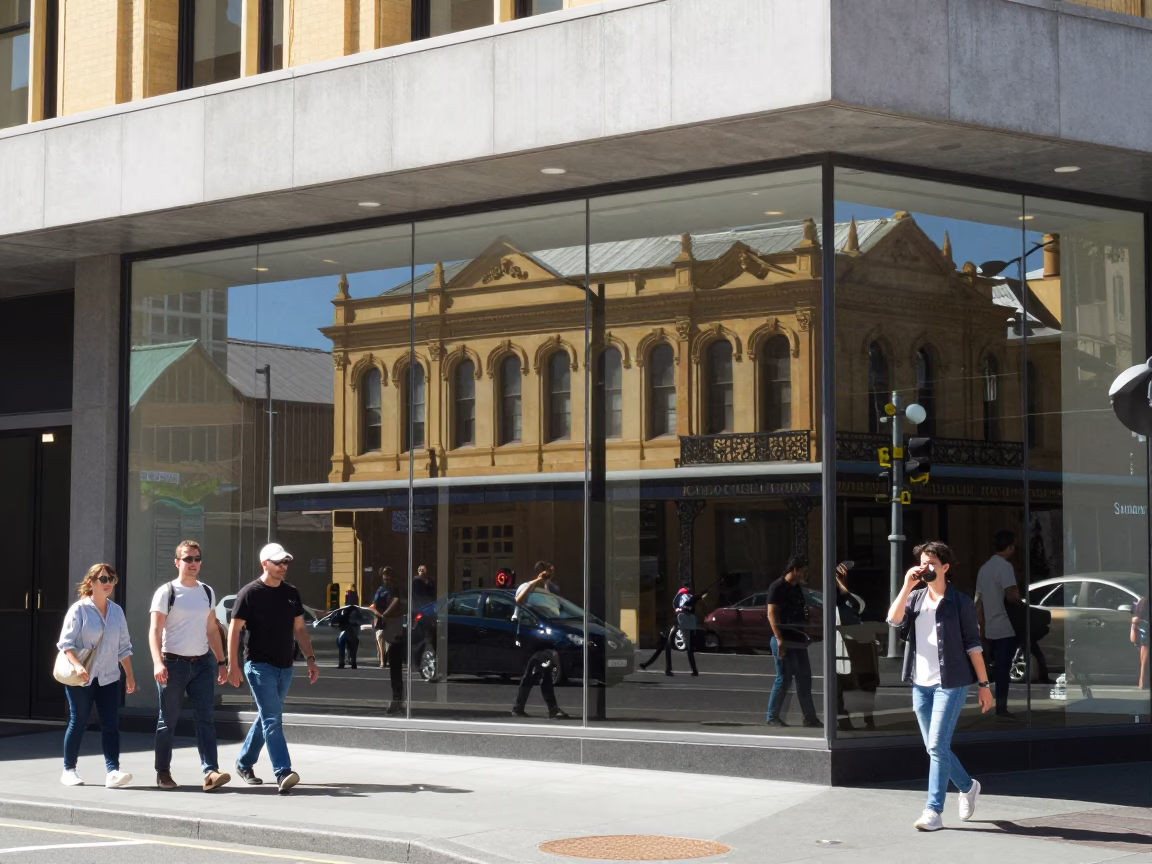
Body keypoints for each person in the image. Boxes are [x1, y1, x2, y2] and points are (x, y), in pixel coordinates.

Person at [887, 541, 993, 832]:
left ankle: (933, 810)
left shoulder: (960, 602)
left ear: (945, 567)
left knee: (936, 745)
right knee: (935, 747)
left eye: (932, 563)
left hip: (952, 684)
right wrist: (907, 586)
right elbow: (893, 620)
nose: (926, 568)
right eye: (923, 562)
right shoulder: (916, 598)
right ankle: (968, 786)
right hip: (920, 684)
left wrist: (984, 685)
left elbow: (974, 646)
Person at [228, 543, 318, 794]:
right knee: (272, 718)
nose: (283, 567)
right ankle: (283, 772)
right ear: (264, 564)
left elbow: (299, 629)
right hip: (258, 666)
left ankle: (244, 763)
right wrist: (232, 665)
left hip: (285, 666)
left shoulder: (291, 592)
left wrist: (310, 658)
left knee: (267, 716)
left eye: (286, 563)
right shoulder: (250, 593)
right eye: (278, 563)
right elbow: (234, 630)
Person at [149, 540, 230, 791]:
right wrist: (157, 663)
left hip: (202, 664)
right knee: (168, 721)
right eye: (187, 559)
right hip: (172, 664)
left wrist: (221, 661)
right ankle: (163, 772)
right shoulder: (167, 592)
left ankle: (211, 772)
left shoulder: (206, 591)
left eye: (196, 558)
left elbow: (212, 629)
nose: (193, 563)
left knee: (205, 718)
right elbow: (154, 630)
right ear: (177, 562)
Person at [57, 563, 136, 788]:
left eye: (112, 579)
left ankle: (113, 771)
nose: (108, 583)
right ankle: (69, 769)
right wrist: (78, 666)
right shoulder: (79, 610)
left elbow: (124, 647)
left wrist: (129, 675)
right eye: (103, 579)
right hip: (81, 677)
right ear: (91, 582)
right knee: (79, 721)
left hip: (109, 677)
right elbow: (66, 644)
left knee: (110, 724)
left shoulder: (117, 612)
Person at [765, 555, 820, 728]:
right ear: (795, 570)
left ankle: (810, 718)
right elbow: (771, 613)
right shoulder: (777, 587)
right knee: (784, 679)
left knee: (804, 679)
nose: (805, 574)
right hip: (784, 639)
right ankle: (772, 717)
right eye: (803, 570)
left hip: (798, 640)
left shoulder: (797, 588)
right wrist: (779, 639)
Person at [511, 561, 570, 719]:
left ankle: (524, 707)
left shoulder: (549, 589)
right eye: (548, 573)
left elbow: (557, 606)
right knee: (537, 671)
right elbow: (518, 600)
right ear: (541, 573)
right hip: (531, 636)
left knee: (540, 672)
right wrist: (537, 581)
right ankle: (548, 708)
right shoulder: (528, 587)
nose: (551, 576)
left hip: (547, 635)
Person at [974, 530, 1020, 719]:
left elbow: (978, 602)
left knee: (996, 667)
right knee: (1003, 669)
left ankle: (995, 704)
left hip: (991, 626)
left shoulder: (984, 568)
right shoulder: (1005, 567)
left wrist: (981, 627)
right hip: (1006, 625)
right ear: (1009, 547)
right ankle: (1001, 708)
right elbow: (1011, 595)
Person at [833, 561, 878, 731]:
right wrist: (839, 583)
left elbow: (858, 607)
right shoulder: (839, 596)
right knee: (842, 683)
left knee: (866, 682)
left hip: (860, 644)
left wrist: (841, 583)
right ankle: (844, 719)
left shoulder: (856, 598)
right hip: (846, 644)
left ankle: (869, 718)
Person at [638, 584, 707, 676]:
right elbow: (690, 604)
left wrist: (697, 598)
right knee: (684, 647)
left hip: (681, 619)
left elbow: (679, 605)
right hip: (687, 621)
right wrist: (698, 598)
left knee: (667, 644)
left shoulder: (680, 596)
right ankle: (692, 670)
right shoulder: (689, 596)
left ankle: (668, 669)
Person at [371, 567, 396, 667]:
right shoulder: (380, 590)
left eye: (388, 576)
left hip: (392, 617)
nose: (386, 578)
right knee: (380, 637)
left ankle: (385, 658)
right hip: (382, 617)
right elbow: (374, 605)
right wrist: (379, 615)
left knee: (389, 640)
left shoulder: (394, 590)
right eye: (385, 576)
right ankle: (382, 660)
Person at [333, 588, 362, 669]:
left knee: (345, 644)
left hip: (347, 630)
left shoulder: (348, 609)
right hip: (349, 631)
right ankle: (351, 662)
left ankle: (345, 662)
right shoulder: (353, 609)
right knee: (351, 645)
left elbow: (337, 619)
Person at [1132, 595, 1150, 689]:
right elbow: (1139, 617)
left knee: (1145, 649)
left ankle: (1142, 680)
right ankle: (1142, 680)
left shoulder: (1143, 599)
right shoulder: (1145, 600)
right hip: (1145, 629)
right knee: (1145, 648)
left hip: (1143, 629)